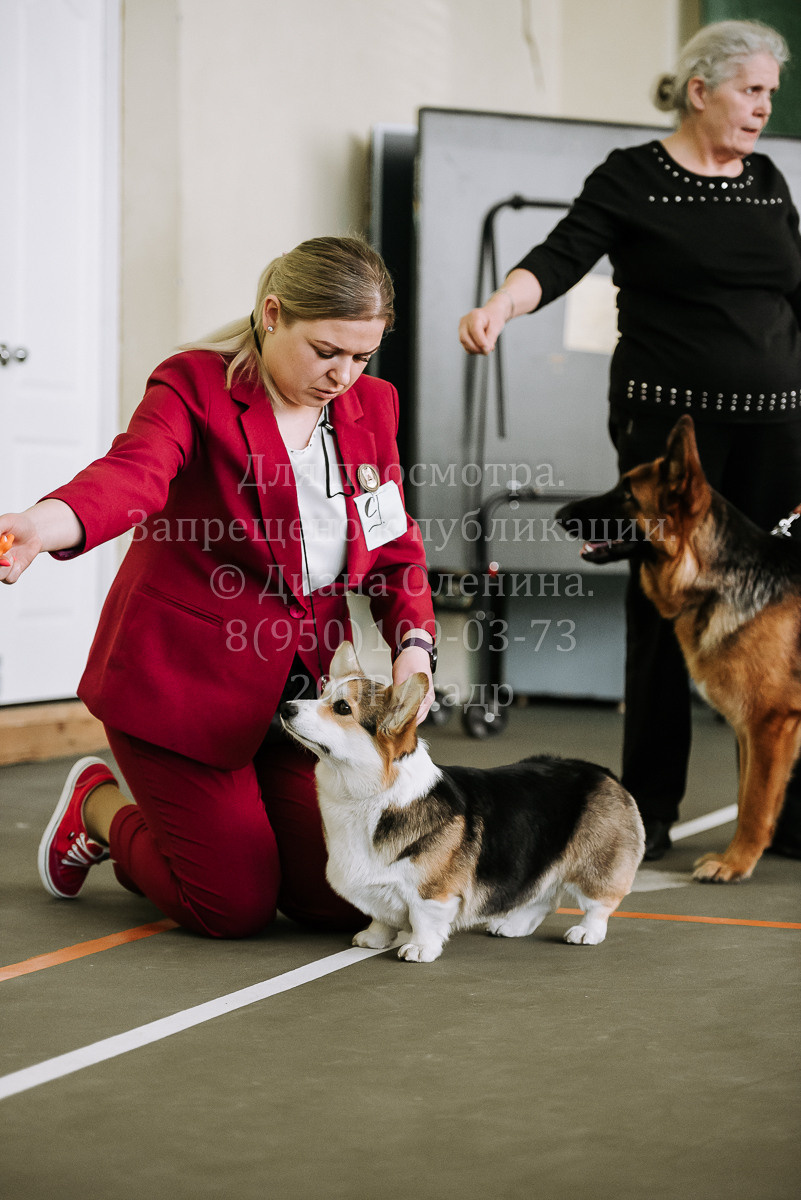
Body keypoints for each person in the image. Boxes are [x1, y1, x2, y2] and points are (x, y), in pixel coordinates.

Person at [0, 235, 437, 937]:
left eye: (361, 356)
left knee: (347, 896)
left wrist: (415, 646)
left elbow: (393, 549)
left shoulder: (372, 407)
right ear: (273, 314)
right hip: (182, 684)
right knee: (230, 907)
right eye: (326, 351)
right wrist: (41, 524)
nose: (343, 376)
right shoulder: (194, 385)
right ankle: (98, 808)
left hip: (294, 696)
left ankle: (223, 825)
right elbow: (132, 475)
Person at [459, 20, 801, 861]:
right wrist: (501, 305)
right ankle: (649, 804)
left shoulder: (766, 181)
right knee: (661, 609)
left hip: (776, 425)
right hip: (670, 430)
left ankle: (786, 811)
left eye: (770, 92)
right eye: (751, 90)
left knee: (784, 609)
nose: (764, 107)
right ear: (700, 89)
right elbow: (561, 255)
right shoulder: (632, 177)